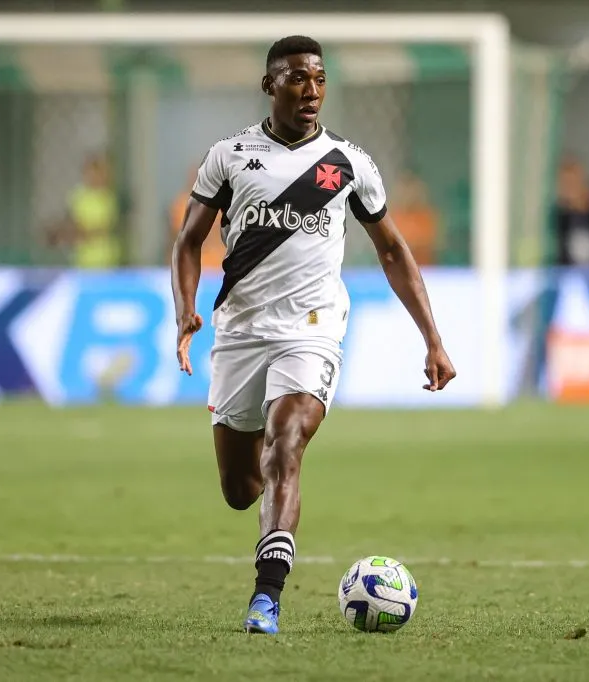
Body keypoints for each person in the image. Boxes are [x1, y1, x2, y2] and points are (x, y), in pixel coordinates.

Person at [170, 35, 456, 635]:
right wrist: (185, 310)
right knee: (240, 488)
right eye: (298, 78)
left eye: (320, 79)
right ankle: (264, 527)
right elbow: (189, 241)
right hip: (242, 331)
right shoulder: (230, 156)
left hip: (313, 327)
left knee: (287, 440)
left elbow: (392, 250)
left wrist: (432, 337)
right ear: (270, 85)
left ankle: (265, 598)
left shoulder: (346, 163)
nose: (311, 90)